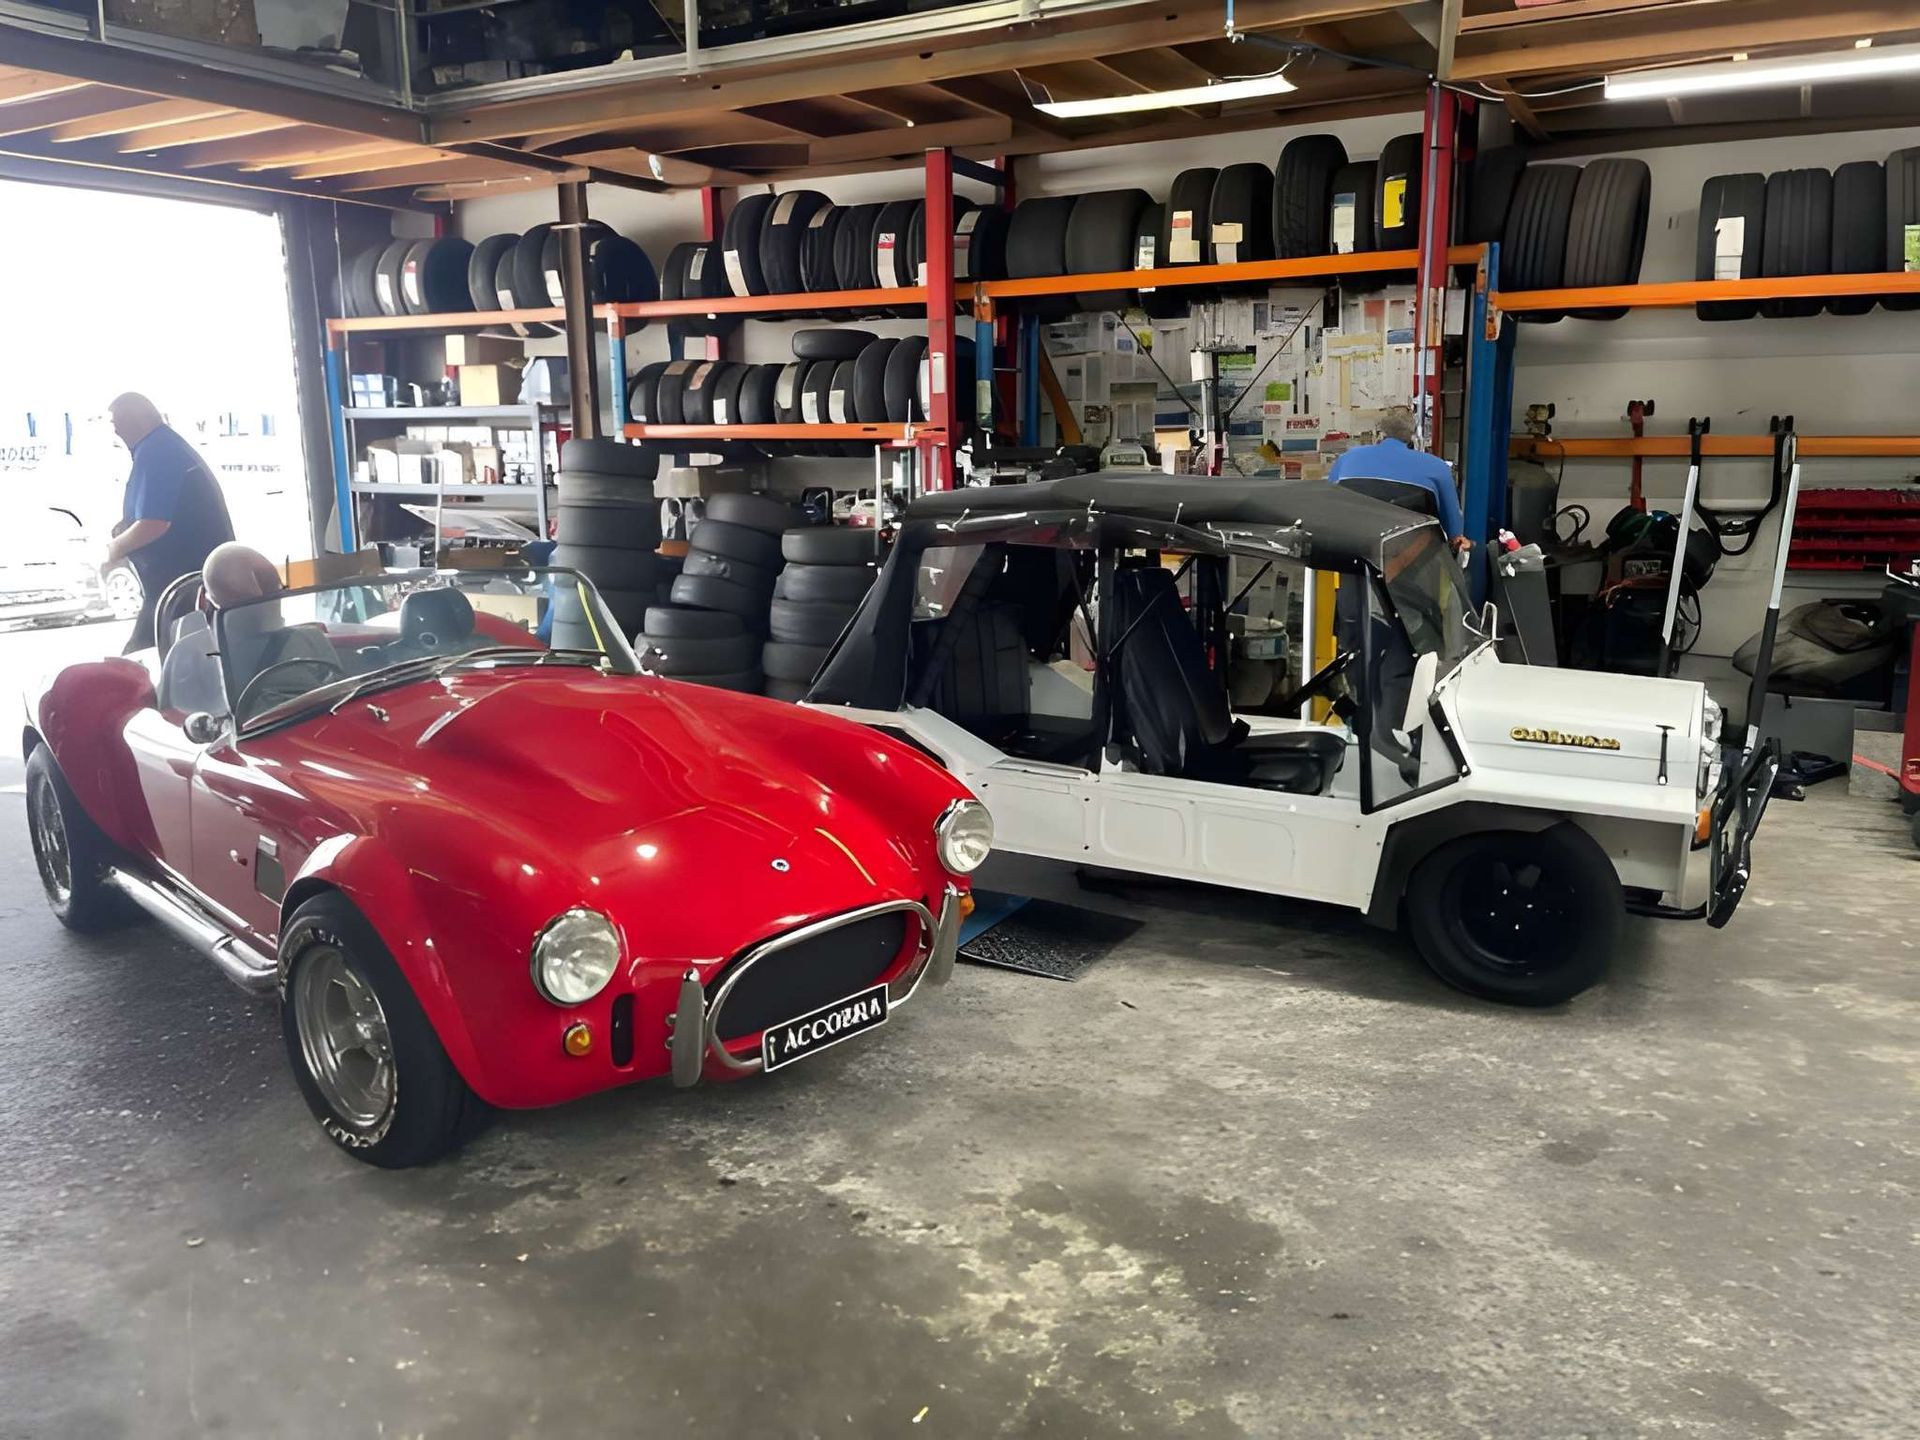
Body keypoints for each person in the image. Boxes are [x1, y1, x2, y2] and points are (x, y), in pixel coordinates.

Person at [103, 393, 235, 653]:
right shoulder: (162, 447)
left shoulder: (157, 452)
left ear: (137, 420)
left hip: (181, 586)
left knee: (141, 657)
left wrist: (115, 548)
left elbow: (154, 523)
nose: (115, 430)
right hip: (183, 585)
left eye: (117, 422)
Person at [1328, 407, 1472, 554]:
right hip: (1411, 562)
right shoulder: (1437, 468)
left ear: (1381, 433)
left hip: (1350, 555)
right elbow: (1454, 532)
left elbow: (1329, 505)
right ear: (1412, 436)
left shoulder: (1347, 459)